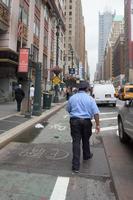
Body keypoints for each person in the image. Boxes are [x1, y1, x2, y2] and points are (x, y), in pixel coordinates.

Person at [66, 81, 100, 173]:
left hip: (74, 121)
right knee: (86, 139)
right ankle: (86, 155)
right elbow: (96, 113)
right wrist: (97, 125)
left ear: (78, 88)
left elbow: (68, 109)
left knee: (76, 142)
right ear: (87, 89)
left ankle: (75, 166)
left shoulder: (72, 98)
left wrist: (75, 114)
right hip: (86, 121)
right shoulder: (90, 99)